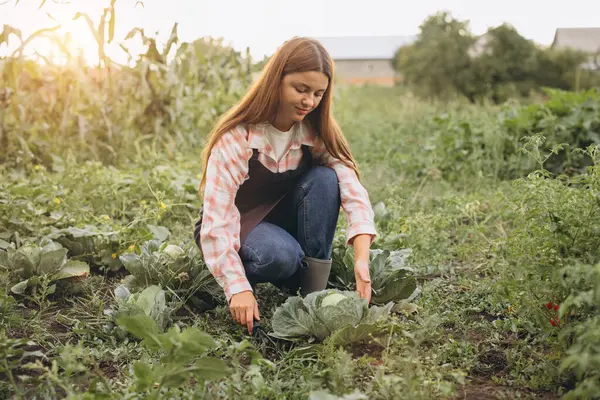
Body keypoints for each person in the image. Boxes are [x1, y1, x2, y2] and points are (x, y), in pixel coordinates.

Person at [194, 37, 377, 334]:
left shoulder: (314, 133)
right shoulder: (236, 139)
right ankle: (237, 275)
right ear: (276, 81)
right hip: (238, 225)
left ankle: (311, 294)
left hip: (283, 221)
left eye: (318, 93)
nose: (309, 102)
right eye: (301, 89)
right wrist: (237, 288)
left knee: (326, 178)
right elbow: (216, 222)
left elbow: (352, 189)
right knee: (280, 255)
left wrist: (362, 259)